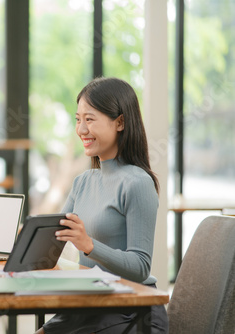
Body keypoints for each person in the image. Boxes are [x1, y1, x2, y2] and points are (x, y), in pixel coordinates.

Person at [36, 77, 168, 334]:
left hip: (131, 310)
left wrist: (89, 245)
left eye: (90, 119)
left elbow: (141, 267)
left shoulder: (137, 183)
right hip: (90, 304)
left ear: (120, 122)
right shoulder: (83, 181)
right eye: (78, 119)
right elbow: (55, 236)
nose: (81, 129)